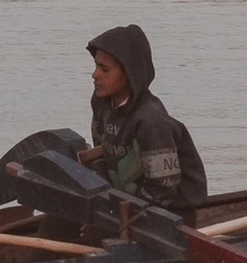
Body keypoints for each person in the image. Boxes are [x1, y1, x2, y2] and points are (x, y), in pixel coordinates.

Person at [85, 24, 207, 218]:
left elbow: (163, 189)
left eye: (105, 70)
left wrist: (119, 217)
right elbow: (100, 152)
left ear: (129, 74)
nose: (95, 75)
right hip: (124, 203)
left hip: (170, 213)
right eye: (96, 66)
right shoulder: (101, 102)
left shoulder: (152, 122)